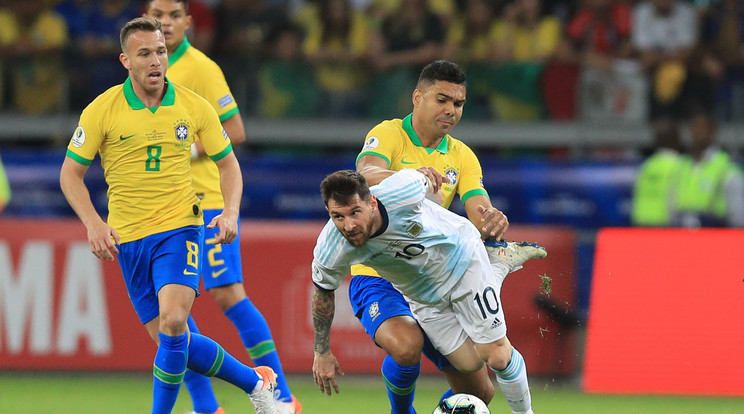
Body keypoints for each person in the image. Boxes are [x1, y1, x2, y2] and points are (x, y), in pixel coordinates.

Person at [58, 17, 279, 414]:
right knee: (171, 340)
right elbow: (69, 174)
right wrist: (93, 222)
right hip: (128, 239)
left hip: (180, 228)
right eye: (145, 53)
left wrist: (230, 212)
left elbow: (228, 165)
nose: (156, 60)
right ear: (126, 60)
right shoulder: (102, 109)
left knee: (175, 322)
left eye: (160, 51)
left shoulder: (193, 105)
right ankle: (254, 381)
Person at [143, 2, 301, 413]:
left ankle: (281, 396)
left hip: (204, 204)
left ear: (188, 23)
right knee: (171, 313)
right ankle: (207, 406)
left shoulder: (201, 68)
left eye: (175, 14)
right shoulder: (142, 72)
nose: (166, 21)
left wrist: (186, 148)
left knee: (229, 294)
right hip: (161, 208)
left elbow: (235, 129)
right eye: (157, 12)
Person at [351, 59, 522, 413]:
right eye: (442, 99)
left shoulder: (462, 156)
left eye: (458, 104)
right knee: (407, 345)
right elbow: (365, 173)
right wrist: (412, 176)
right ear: (418, 97)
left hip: (429, 281)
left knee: (481, 394)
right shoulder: (389, 133)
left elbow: (476, 203)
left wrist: (489, 217)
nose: (451, 110)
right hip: (378, 275)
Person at [312, 169, 546, 414]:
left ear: (371, 202)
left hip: (464, 262)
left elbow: (429, 183)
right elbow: (322, 295)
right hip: (424, 297)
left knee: (497, 356)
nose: (348, 226)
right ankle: (496, 268)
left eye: (355, 213)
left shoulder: (401, 191)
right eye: (338, 217)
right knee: (470, 363)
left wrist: (427, 187)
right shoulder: (331, 248)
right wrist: (322, 351)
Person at [675, 111, 744, 228]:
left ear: (713, 132)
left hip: (714, 234)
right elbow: (671, 205)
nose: (697, 131)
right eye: (694, 126)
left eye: (702, 127)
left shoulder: (726, 169)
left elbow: (739, 217)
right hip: (682, 234)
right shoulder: (682, 166)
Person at [631, 119, 690, 227]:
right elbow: (679, 201)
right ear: (677, 139)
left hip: (641, 224)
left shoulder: (647, 166)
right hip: (665, 226)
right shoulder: (682, 166)